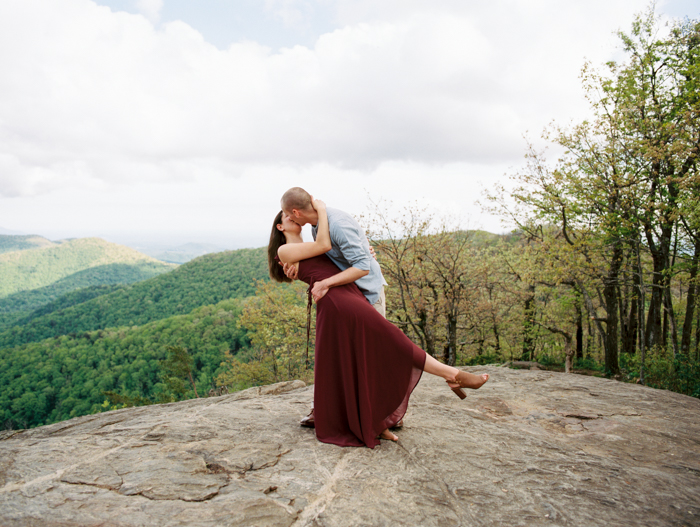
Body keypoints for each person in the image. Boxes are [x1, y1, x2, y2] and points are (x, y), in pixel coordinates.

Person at [268, 198, 489, 448]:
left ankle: (375, 419)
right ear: (281, 227)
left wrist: (366, 250)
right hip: (340, 303)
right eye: (287, 217)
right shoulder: (285, 251)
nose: (293, 219)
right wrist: (321, 209)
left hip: (348, 296)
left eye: (291, 214)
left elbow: (338, 254)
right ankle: (452, 375)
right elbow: (326, 245)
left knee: (365, 357)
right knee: (392, 343)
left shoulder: (310, 241)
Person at [280, 187, 388, 428]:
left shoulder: (335, 223)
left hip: (368, 293)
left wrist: (326, 282)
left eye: (287, 214)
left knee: (372, 354)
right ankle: (326, 409)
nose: (288, 218)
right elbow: (329, 252)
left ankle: (384, 415)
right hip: (348, 295)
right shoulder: (320, 225)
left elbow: (362, 267)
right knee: (339, 355)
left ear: (295, 212)